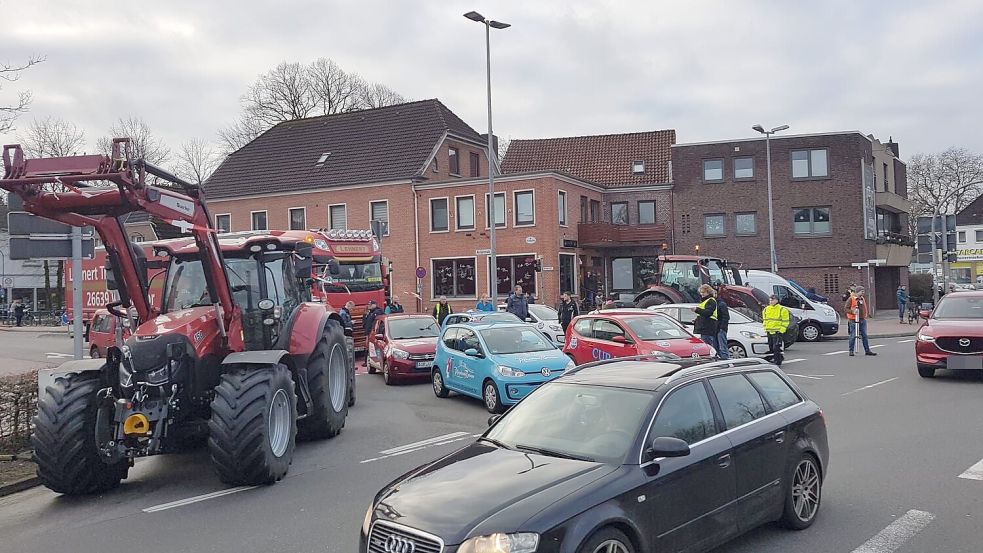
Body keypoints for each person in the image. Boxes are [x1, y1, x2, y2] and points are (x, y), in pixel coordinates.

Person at [845, 287, 876, 356]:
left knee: (864, 335)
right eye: (862, 291)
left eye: (863, 291)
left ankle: (867, 350)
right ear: (857, 291)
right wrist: (852, 311)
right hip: (853, 320)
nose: (863, 292)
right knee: (853, 335)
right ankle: (851, 351)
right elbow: (846, 308)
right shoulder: (851, 299)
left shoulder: (862, 299)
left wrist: (865, 315)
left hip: (862, 319)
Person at [762, 294, 790, 367]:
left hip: (777, 332)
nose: (771, 301)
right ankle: (778, 358)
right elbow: (765, 320)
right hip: (769, 331)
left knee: (776, 347)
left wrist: (781, 330)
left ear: (777, 300)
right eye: (770, 300)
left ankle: (778, 362)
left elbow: (785, 321)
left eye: (772, 300)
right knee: (771, 347)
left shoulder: (782, 309)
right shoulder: (766, 309)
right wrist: (765, 328)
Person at [691, 285, 719, 352]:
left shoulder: (711, 301)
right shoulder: (706, 301)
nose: (702, 294)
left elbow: (708, 313)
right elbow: (704, 314)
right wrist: (696, 321)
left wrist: (696, 310)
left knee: (708, 348)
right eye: (701, 292)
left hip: (707, 328)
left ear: (708, 292)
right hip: (705, 328)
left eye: (703, 292)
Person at [716, 295, 731, 360]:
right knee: (719, 346)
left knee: (722, 346)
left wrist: (722, 327)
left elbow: (726, 317)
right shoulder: (717, 303)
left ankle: (725, 360)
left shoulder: (721, 304)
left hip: (720, 328)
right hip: (716, 328)